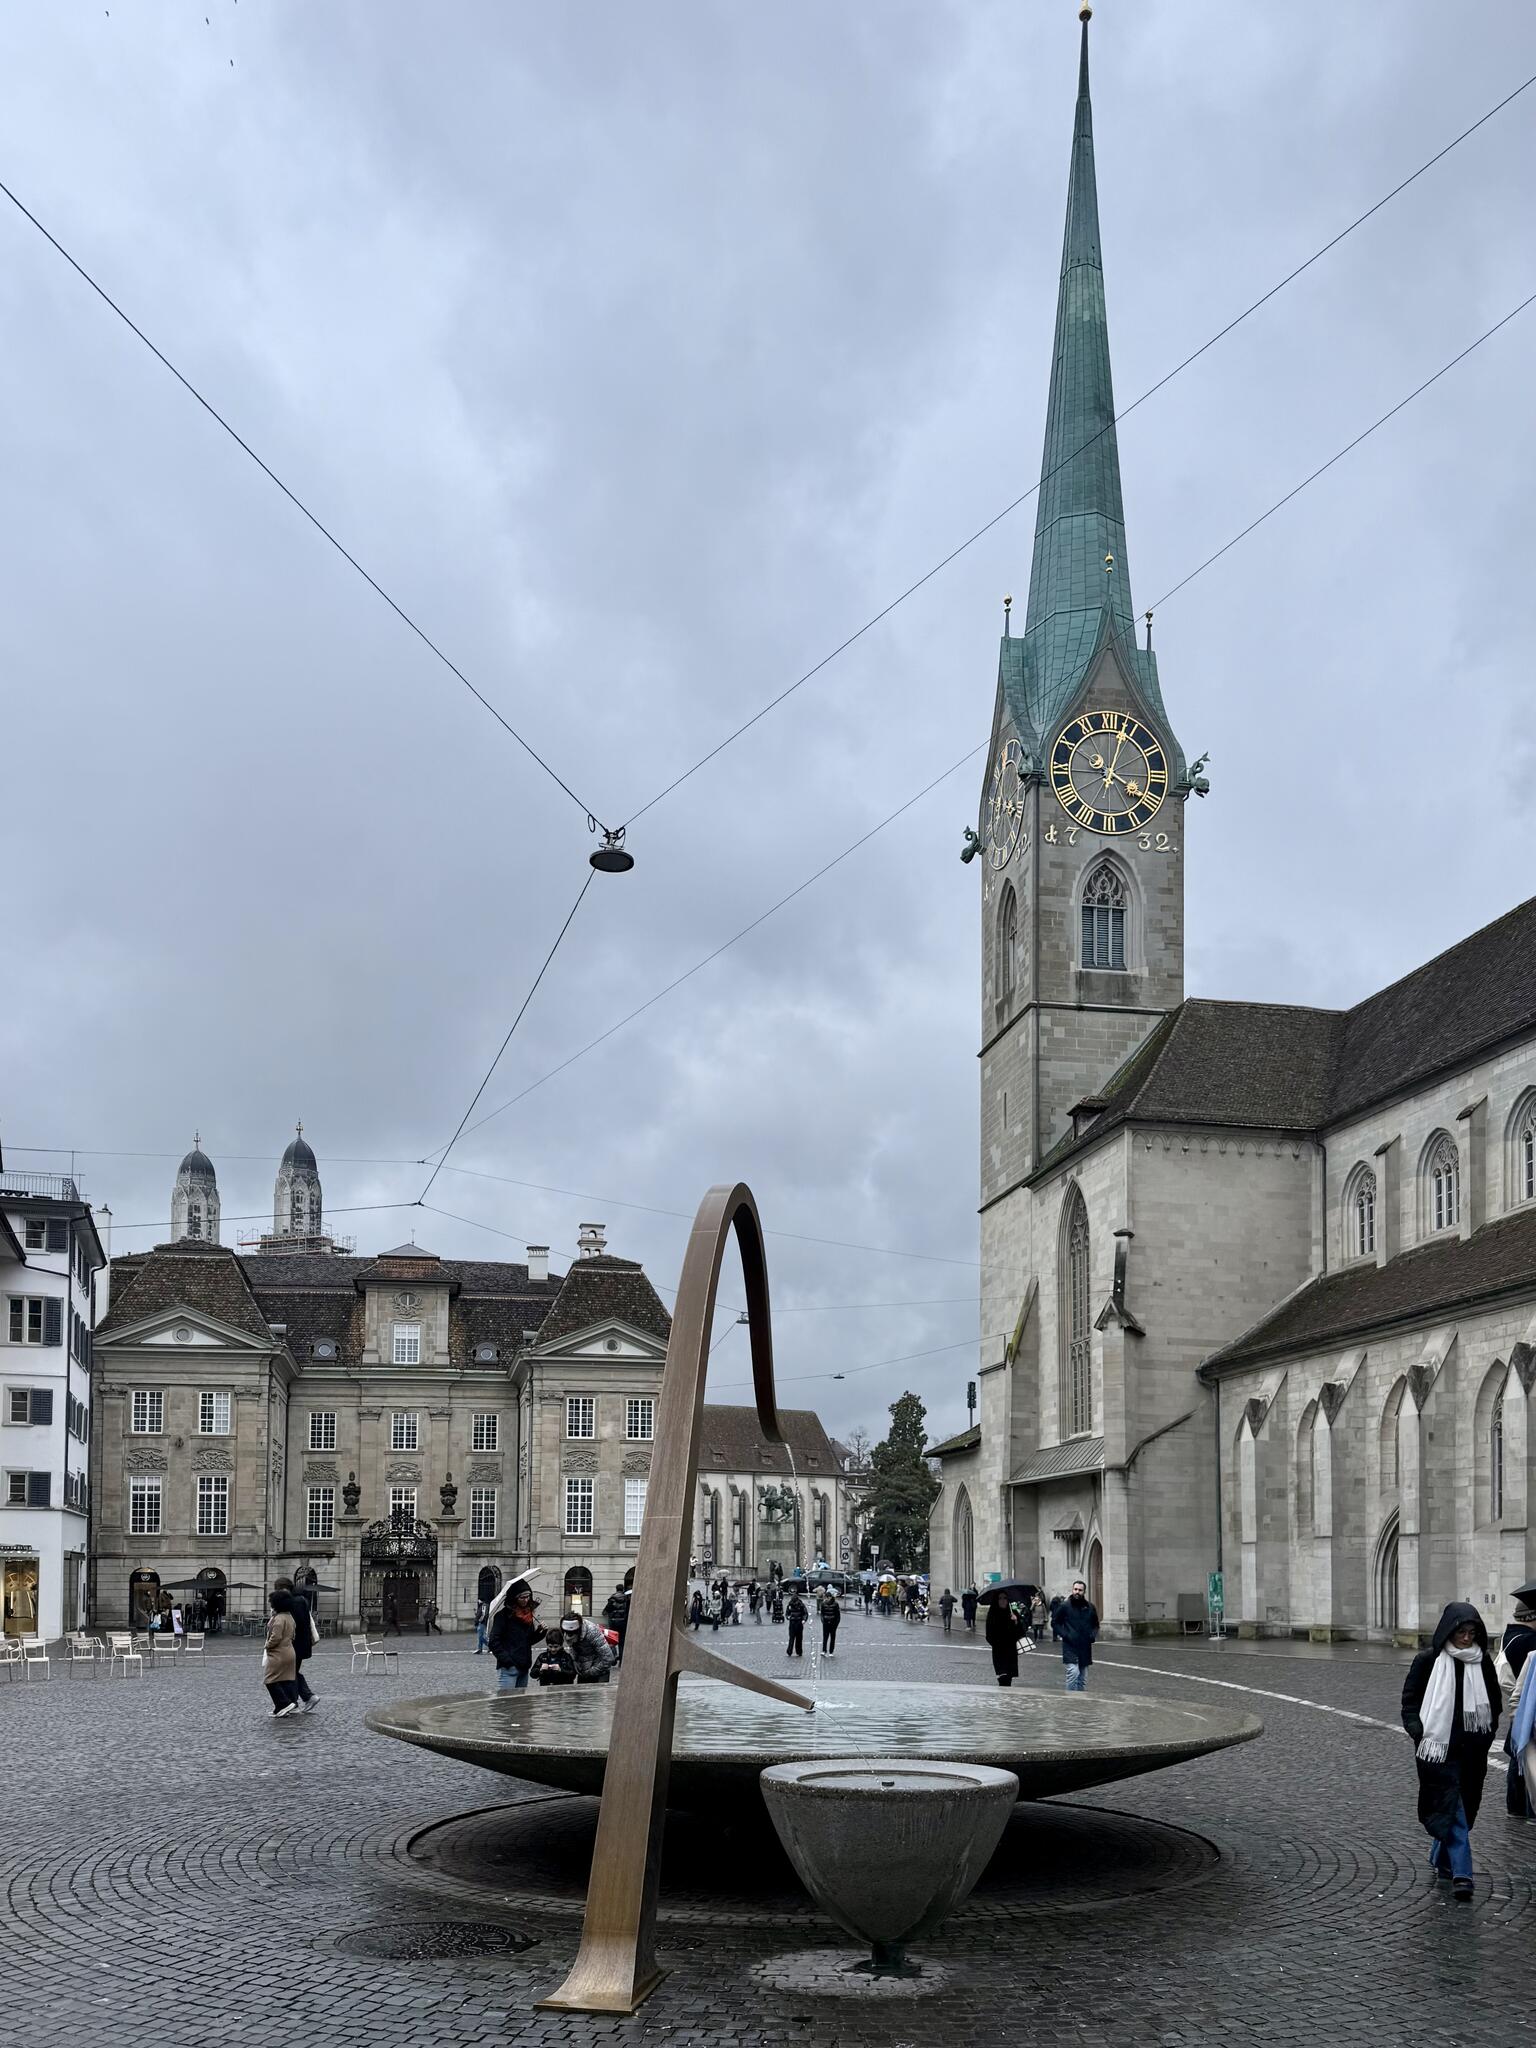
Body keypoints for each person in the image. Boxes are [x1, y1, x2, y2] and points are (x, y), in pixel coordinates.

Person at [1401, 1601, 1500, 1900]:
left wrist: (1487, 1735)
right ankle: (1463, 1874)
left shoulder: (1482, 1662)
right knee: (1452, 1808)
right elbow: (1410, 1701)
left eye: (1472, 1632)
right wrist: (1418, 1731)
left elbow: (1493, 1703)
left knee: (1463, 1808)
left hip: (1472, 1751)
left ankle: (1441, 1858)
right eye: (1461, 1632)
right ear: (1449, 1630)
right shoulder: (1428, 1661)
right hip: (1437, 1749)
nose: (1467, 1638)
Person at [1502, 1580, 1536, 1816]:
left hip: (1522, 1706)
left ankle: (1516, 1807)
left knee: (1519, 1753)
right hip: (1528, 1706)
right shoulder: (1528, 1642)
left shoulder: (1511, 1636)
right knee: (1524, 1757)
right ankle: (1523, 1808)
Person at [272, 1576, 318, 1713]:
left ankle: (294, 1702)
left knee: (287, 1673)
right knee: (291, 1672)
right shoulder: (300, 1600)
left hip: (293, 1644)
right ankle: (305, 1698)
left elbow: (292, 1625)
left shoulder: (292, 1602)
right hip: (300, 1643)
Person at [488, 1580, 539, 1693]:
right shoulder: (502, 1616)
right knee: (507, 1701)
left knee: (520, 1702)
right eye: (522, 1597)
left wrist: (541, 1632)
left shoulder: (528, 1616)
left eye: (528, 1596)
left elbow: (528, 1641)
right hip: (509, 1668)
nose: (526, 1600)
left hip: (524, 1667)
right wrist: (508, 1662)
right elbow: (493, 1641)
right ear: (514, 1598)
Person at [1053, 1578, 1099, 1692]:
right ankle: (1070, 1697)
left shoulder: (1090, 1607)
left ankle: (1080, 1698)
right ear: (1072, 1590)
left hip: (1085, 1645)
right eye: (1075, 1589)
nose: (1077, 1592)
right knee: (1073, 1672)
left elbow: (1096, 1625)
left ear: (1084, 1592)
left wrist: (1092, 1636)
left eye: (1080, 1590)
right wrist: (1065, 1635)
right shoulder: (1065, 1606)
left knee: (1082, 1677)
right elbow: (1055, 1623)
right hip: (1070, 1645)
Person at [262, 1590, 301, 1717]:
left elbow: (276, 1637)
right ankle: (281, 1708)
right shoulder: (290, 1617)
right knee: (285, 1680)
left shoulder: (279, 1619)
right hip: (289, 1650)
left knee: (270, 1680)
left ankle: (284, 1703)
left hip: (278, 1653)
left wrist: (267, 1645)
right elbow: (293, 1635)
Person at [562, 1609, 617, 1683]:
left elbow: (608, 1658)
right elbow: (572, 1648)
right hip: (584, 1670)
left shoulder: (592, 1632)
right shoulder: (569, 1633)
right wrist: (575, 1661)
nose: (568, 1638)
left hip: (600, 1671)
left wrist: (590, 1672)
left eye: (571, 1637)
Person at [985, 1591, 1024, 1687]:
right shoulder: (992, 1614)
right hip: (999, 1651)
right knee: (1002, 1677)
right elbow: (989, 1634)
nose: (1003, 1601)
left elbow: (1021, 1632)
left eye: (1005, 1598)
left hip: (1011, 1651)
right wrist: (997, 1643)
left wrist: (1016, 1621)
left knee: (1008, 1678)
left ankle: (1005, 1695)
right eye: (1000, 1598)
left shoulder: (1012, 1612)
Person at [602, 1584, 631, 1666]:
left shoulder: (612, 1599)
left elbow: (607, 1610)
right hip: (623, 1623)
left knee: (612, 1641)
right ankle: (621, 1661)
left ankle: (613, 1656)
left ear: (616, 1589)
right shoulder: (627, 1599)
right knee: (622, 1642)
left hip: (613, 1623)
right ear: (623, 1589)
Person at [786, 1588, 808, 1659]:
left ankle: (790, 1651)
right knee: (798, 1638)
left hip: (794, 1622)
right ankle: (798, 1651)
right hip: (798, 1622)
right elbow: (805, 1613)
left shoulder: (791, 1604)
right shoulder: (800, 1604)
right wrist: (804, 1619)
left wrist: (788, 1617)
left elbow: (787, 1613)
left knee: (792, 1638)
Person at [820, 1590, 841, 1657]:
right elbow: (822, 1614)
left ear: (830, 1597)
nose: (826, 1599)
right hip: (826, 1623)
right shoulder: (823, 1604)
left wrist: (836, 1623)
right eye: (826, 1598)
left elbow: (838, 1615)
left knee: (832, 1638)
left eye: (827, 1598)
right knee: (825, 1637)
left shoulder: (835, 1604)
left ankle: (831, 1651)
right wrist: (823, 1621)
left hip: (833, 1623)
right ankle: (824, 1650)